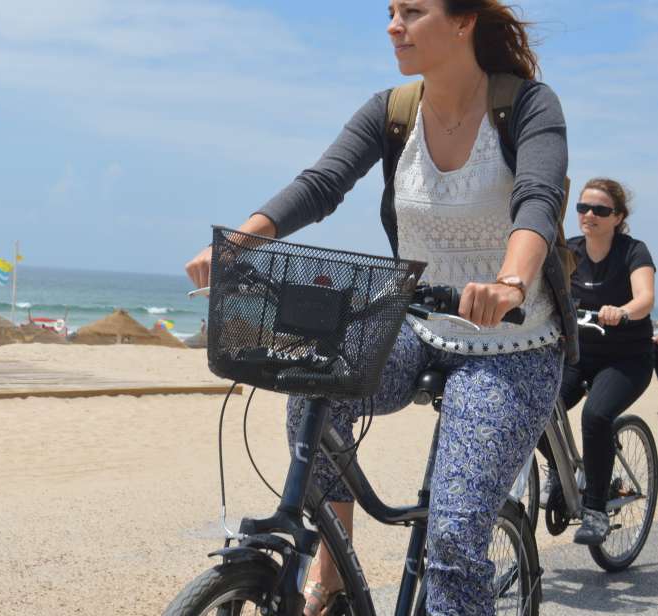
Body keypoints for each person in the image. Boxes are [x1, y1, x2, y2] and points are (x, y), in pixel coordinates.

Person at [184, 2, 573, 614]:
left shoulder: (528, 106)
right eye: (391, 11)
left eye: (413, 11)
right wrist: (243, 239)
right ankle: (332, 563)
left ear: (464, 20)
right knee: (314, 386)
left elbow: (538, 199)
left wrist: (511, 282)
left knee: (452, 543)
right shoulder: (392, 113)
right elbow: (322, 183)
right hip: (418, 324)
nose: (394, 25)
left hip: (513, 343)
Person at [537, 178, 655, 545]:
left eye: (601, 210)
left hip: (627, 359)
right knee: (535, 404)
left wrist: (621, 311)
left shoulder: (632, 251)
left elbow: (645, 298)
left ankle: (596, 511)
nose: (589, 215)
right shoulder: (569, 251)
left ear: (618, 217)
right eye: (583, 208)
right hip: (578, 355)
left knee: (596, 416)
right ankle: (560, 471)